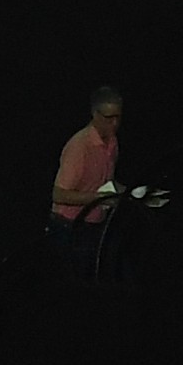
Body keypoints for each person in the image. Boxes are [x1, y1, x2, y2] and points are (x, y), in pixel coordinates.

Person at [50, 85, 128, 274]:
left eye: (118, 117)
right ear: (95, 114)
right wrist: (100, 199)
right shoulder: (80, 146)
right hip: (69, 227)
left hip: (95, 224)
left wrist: (130, 194)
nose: (115, 123)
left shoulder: (112, 142)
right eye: (109, 118)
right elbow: (59, 194)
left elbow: (105, 182)